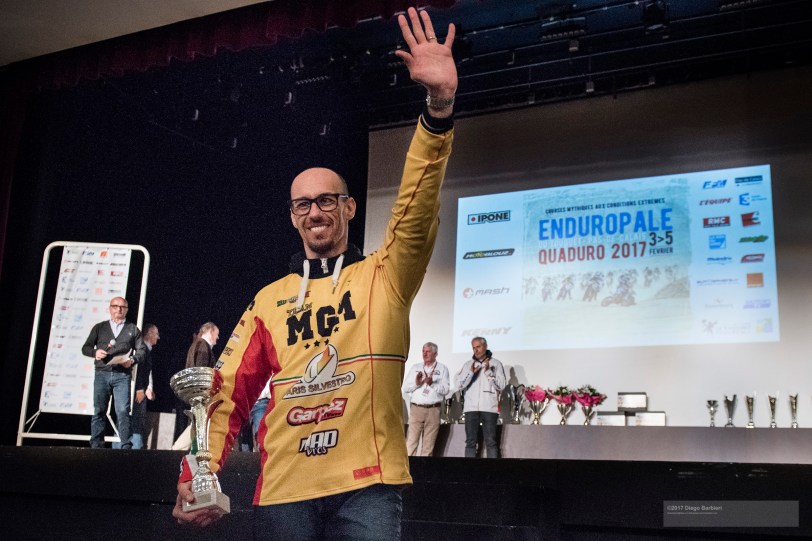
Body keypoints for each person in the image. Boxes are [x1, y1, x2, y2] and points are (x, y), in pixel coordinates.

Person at [173, 7, 457, 539]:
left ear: (349, 208)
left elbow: (415, 210)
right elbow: (227, 391)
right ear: (292, 216)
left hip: (368, 487)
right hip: (284, 489)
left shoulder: (385, 275)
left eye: (327, 200)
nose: (316, 212)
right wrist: (198, 469)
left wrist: (437, 110)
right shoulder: (269, 300)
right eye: (303, 205)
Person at [81, 296, 147, 449]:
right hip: (102, 373)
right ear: (109, 308)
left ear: (127, 310)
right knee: (99, 410)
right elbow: (85, 347)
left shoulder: (132, 329)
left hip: (122, 375)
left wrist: (132, 360)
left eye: (122, 307)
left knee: (123, 410)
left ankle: (125, 444)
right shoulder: (100, 327)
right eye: (115, 306)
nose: (119, 309)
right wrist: (95, 352)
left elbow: (142, 350)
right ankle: (96, 444)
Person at [455, 336, 506, 458]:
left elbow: (501, 385)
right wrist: (471, 373)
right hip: (471, 408)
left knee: (491, 442)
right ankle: (469, 473)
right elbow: (459, 385)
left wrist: (489, 372)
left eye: (478, 347)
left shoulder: (496, 364)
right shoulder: (468, 364)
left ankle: (492, 473)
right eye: (473, 348)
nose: (476, 350)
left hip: (489, 407)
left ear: (485, 346)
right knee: (470, 442)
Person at [401, 342, 450, 456]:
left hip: (433, 410)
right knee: (411, 443)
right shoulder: (416, 368)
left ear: (435, 353)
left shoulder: (442, 369)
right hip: (416, 409)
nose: (425, 354)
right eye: (423, 351)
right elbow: (405, 388)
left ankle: (423, 472)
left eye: (428, 351)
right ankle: (409, 470)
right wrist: (417, 383)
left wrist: (432, 384)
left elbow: (446, 390)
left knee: (428, 446)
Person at [131, 323, 159, 449]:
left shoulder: (146, 350)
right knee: (136, 420)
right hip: (137, 390)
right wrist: (140, 389)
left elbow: (147, 372)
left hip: (141, 389)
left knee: (135, 420)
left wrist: (149, 388)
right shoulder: (142, 348)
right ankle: (135, 450)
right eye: (156, 334)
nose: (158, 337)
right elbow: (138, 370)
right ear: (149, 334)